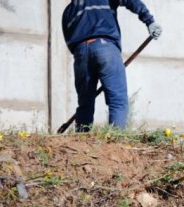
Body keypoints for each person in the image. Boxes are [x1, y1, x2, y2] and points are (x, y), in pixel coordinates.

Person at [62, 0, 163, 132]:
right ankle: (116, 142)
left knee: (85, 104)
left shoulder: (68, 10)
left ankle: (81, 143)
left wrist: (84, 50)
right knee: (118, 101)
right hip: (106, 48)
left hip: (81, 54)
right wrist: (149, 20)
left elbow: (69, 41)